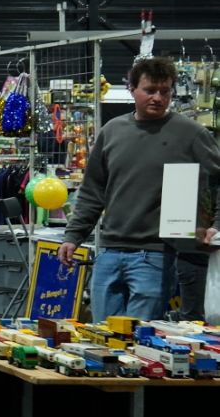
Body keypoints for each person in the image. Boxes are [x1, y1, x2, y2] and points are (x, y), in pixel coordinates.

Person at [60, 56, 220, 320]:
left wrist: (216, 224)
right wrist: (72, 236)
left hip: (156, 255)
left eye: (165, 91)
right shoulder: (112, 132)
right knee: (102, 335)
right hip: (109, 252)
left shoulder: (191, 134)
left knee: (140, 337)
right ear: (132, 89)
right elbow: (92, 191)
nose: (158, 98)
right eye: (150, 90)